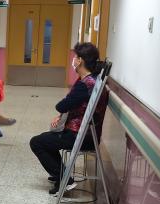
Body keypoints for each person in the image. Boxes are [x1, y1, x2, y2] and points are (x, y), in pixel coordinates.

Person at [29, 42, 108, 195]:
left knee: (37, 142)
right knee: (47, 138)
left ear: (80, 61)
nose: (73, 60)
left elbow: (62, 105)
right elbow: (70, 104)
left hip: (79, 136)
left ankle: (65, 179)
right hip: (88, 134)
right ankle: (60, 174)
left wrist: (62, 110)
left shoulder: (84, 84)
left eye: (75, 57)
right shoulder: (93, 80)